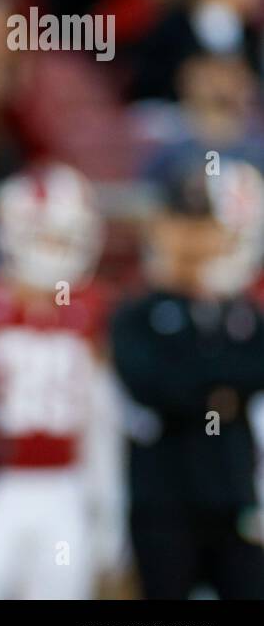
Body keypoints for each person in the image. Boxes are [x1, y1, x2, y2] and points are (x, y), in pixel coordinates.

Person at [0, 162, 122, 599]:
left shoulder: (96, 308)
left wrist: (107, 510)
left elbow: (103, 421)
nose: (54, 248)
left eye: (64, 236)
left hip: (65, 482)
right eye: (44, 234)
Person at [112, 158, 264, 598]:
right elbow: (153, 382)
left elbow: (254, 369)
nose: (199, 241)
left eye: (208, 228)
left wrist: (199, 386)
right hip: (164, 504)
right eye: (189, 225)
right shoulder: (138, 312)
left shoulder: (243, 314)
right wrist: (217, 393)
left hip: (233, 496)